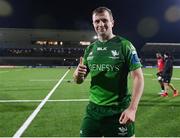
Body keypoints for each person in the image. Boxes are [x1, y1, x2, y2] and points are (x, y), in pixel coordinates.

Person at [73, 7, 144, 137]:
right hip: (93, 111)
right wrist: (77, 74)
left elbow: (138, 78)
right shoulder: (90, 49)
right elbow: (79, 81)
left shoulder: (125, 45)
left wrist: (132, 109)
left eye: (105, 20)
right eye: (97, 21)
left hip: (118, 111)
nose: (101, 24)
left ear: (112, 22)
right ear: (93, 24)